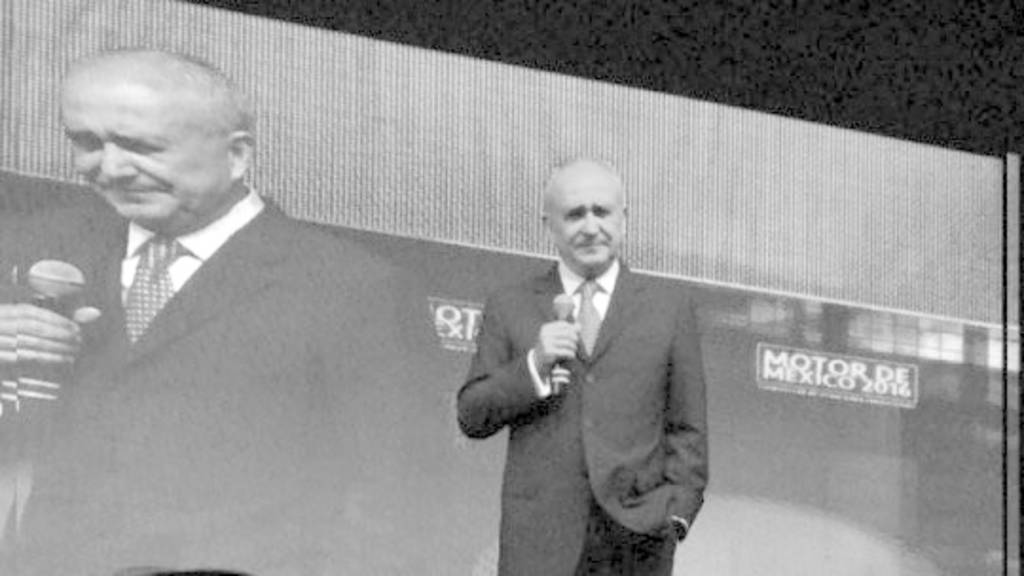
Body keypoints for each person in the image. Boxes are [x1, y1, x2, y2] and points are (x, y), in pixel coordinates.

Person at [0, 49, 404, 575]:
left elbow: (402, 506)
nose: (110, 169)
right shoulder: (31, 247)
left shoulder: (352, 286)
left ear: (237, 155)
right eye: (87, 142)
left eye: (142, 146)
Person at [457, 158, 708, 575]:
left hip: (638, 543)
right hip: (540, 544)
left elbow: (688, 427)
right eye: (575, 214)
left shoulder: (669, 308)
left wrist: (676, 513)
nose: (591, 227)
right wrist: (534, 365)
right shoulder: (511, 304)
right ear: (549, 225)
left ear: (623, 218)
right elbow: (471, 414)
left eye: (602, 212)